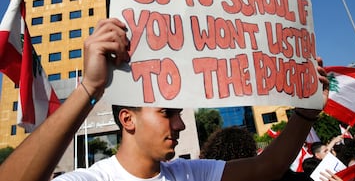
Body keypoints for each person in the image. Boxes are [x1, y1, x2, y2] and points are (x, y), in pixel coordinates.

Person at [0, 18, 330, 181]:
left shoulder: (189, 173)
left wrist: (306, 114)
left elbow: (266, 167)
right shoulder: (93, 179)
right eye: (166, 112)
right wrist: (90, 87)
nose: (180, 123)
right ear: (126, 119)